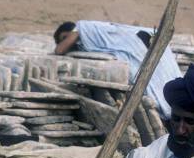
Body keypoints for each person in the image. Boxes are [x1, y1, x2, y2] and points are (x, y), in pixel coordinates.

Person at [53, 20, 182, 119]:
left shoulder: (82, 27)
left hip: (134, 45)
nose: (66, 43)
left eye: (64, 38)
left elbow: (59, 50)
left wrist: (72, 35)